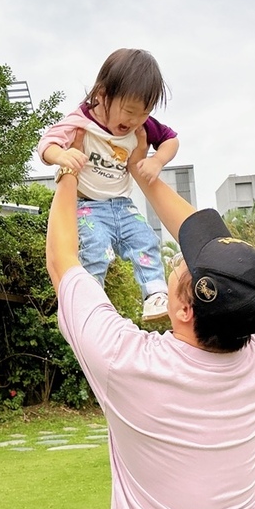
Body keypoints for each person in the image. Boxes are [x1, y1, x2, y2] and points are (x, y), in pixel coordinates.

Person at [45, 156, 255, 509]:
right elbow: (203, 236)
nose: (176, 259)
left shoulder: (128, 365)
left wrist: (69, 167)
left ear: (182, 310)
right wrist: (142, 171)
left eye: (179, 268)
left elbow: (64, 262)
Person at [38, 48, 179, 321]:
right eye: (129, 111)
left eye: (145, 113)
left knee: (146, 240)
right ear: (102, 96)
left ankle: (154, 295)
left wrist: (157, 160)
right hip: (88, 205)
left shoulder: (143, 126)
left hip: (122, 204)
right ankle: (92, 305)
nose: (136, 121)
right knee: (95, 249)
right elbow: (46, 144)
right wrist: (62, 155)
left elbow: (172, 139)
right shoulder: (81, 121)